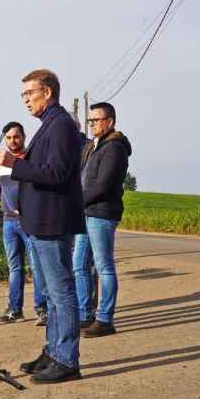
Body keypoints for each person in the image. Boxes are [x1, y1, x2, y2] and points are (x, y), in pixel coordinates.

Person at [0, 69, 85, 384]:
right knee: (51, 293)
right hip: (40, 221)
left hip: (52, 221)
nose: (25, 100)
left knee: (61, 293)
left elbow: (56, 173)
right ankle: (52, 351)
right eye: (23, 95)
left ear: (47, 92)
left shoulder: (61, 125)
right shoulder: (49, 124)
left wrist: (14, 164)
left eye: (30, 93)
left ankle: (67, 360)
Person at [73, 102, 131, 337]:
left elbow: (103, 185)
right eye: (90, 121)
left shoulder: (114, 148)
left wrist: (76, 203)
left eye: (96, 120)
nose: (92, 124)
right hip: (87, 212)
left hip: (102, 214)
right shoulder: (95, 146)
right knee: (79, 264)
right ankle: (85, 314)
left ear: (110, 122)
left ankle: (105, 319)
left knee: (103, 266)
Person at [0, 121, 48, 326]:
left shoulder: (30, 160)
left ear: (23, 137)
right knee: (14, 267)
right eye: (8, 137)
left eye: (16, 137)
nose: (12, 141)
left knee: (36, 266)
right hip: (8, 222)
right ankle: (15, 310)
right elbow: (0, 189)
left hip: (29, 221)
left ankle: (42, 310)